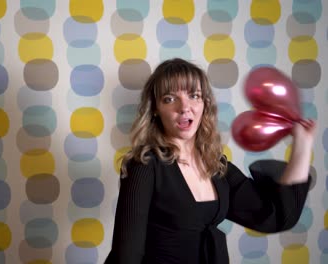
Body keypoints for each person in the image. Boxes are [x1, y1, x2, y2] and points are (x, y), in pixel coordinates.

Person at [104, 58, 316, 264]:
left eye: (194, 96)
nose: (184, 107)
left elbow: (274, 216)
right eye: (170, 98)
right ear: (156, 110)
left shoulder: (216, 164)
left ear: (204, 104)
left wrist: (303, 144)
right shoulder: (144, 165)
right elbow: (126, 255)